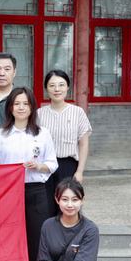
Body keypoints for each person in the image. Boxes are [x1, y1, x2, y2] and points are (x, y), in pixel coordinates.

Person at [0, 87, 58, 261]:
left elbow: (52, 163)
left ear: (32, 107)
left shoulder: (42, 133)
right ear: (10, 107)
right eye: (16, 103)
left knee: (34, 244)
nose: (20, 107)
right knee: (9, 245)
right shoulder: (1, 135)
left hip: (35, 191)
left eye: (25, 104)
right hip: (8, 194)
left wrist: (38, 166)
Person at [37, 70, 92, 217]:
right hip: (45, 167)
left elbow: (83, 144)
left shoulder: (77, 112)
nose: (57, 89)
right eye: (52, 85)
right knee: (46, 208)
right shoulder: (39, 114)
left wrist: (79, 171)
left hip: (68, 166)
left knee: (68, 208)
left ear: (68, 87)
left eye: (61, 85)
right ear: (46, 88)